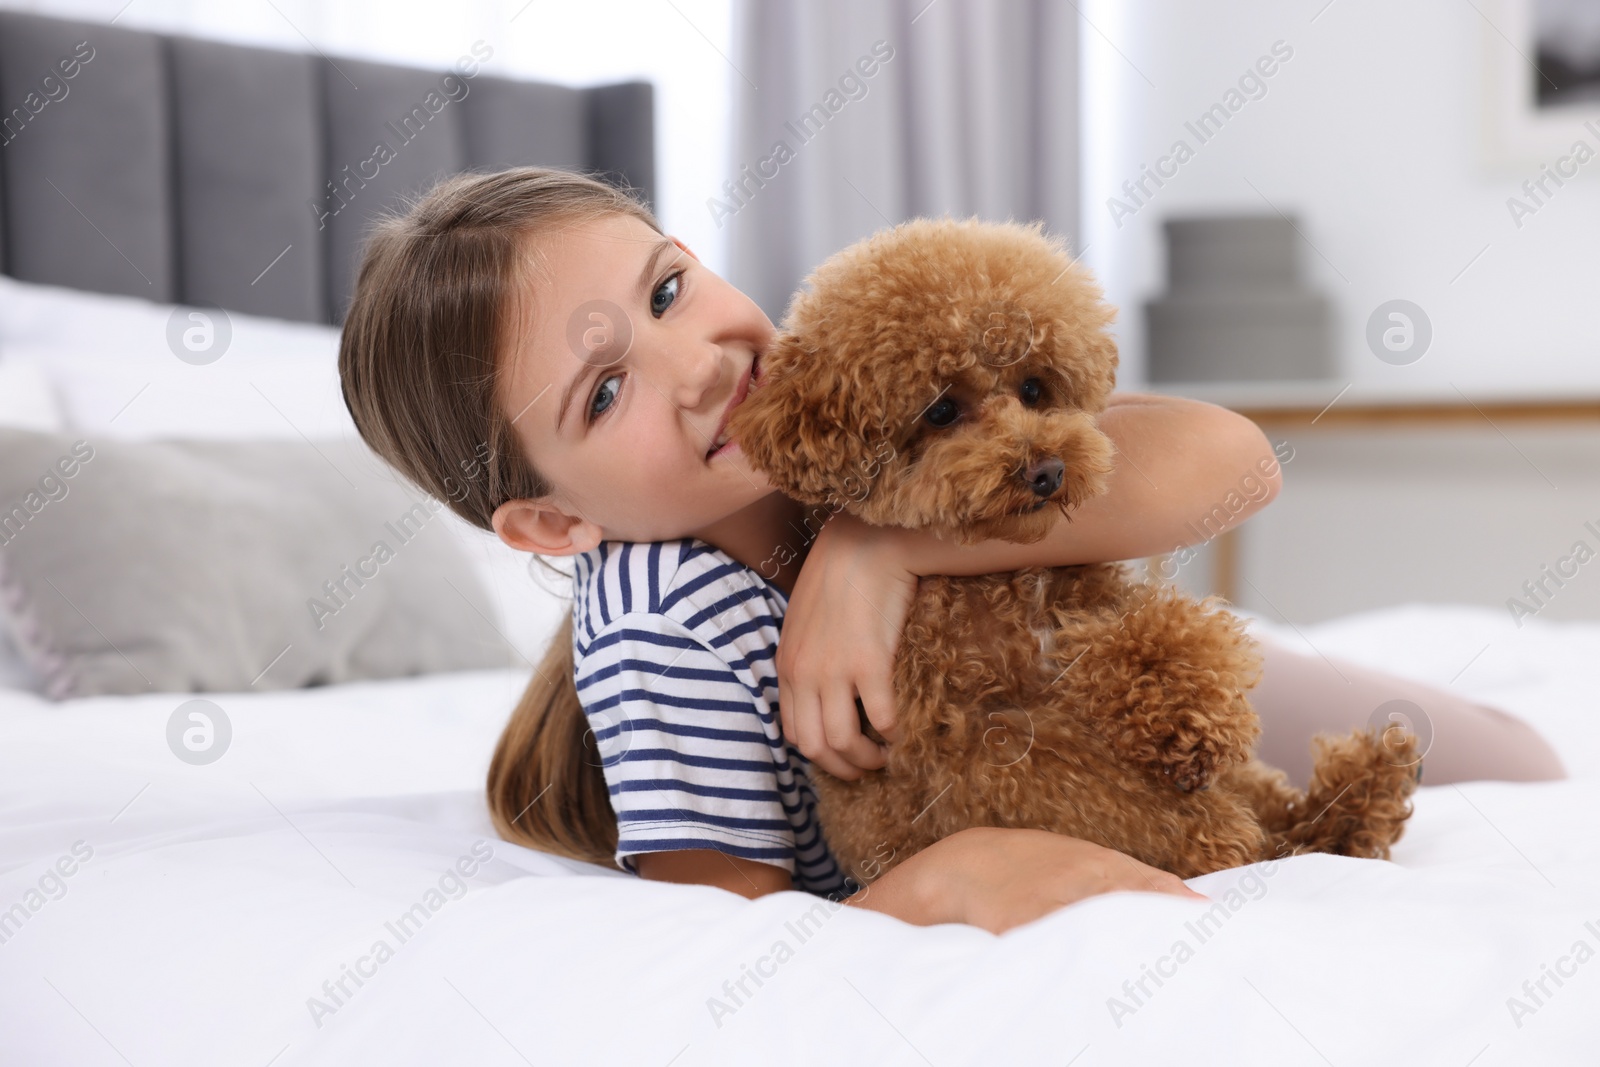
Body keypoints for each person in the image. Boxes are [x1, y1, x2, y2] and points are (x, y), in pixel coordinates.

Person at [338, 167, 1565, 937]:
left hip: (1087, 680)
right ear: (554, 522)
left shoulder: (841, 393)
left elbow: (1237, 458)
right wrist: (930, 884)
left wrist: (874, 551)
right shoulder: (665, 625)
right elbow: (720, 938)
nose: (702, 363)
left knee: (1519, 759)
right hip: (1011, 753)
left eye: (668, 291)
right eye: (604, 392)